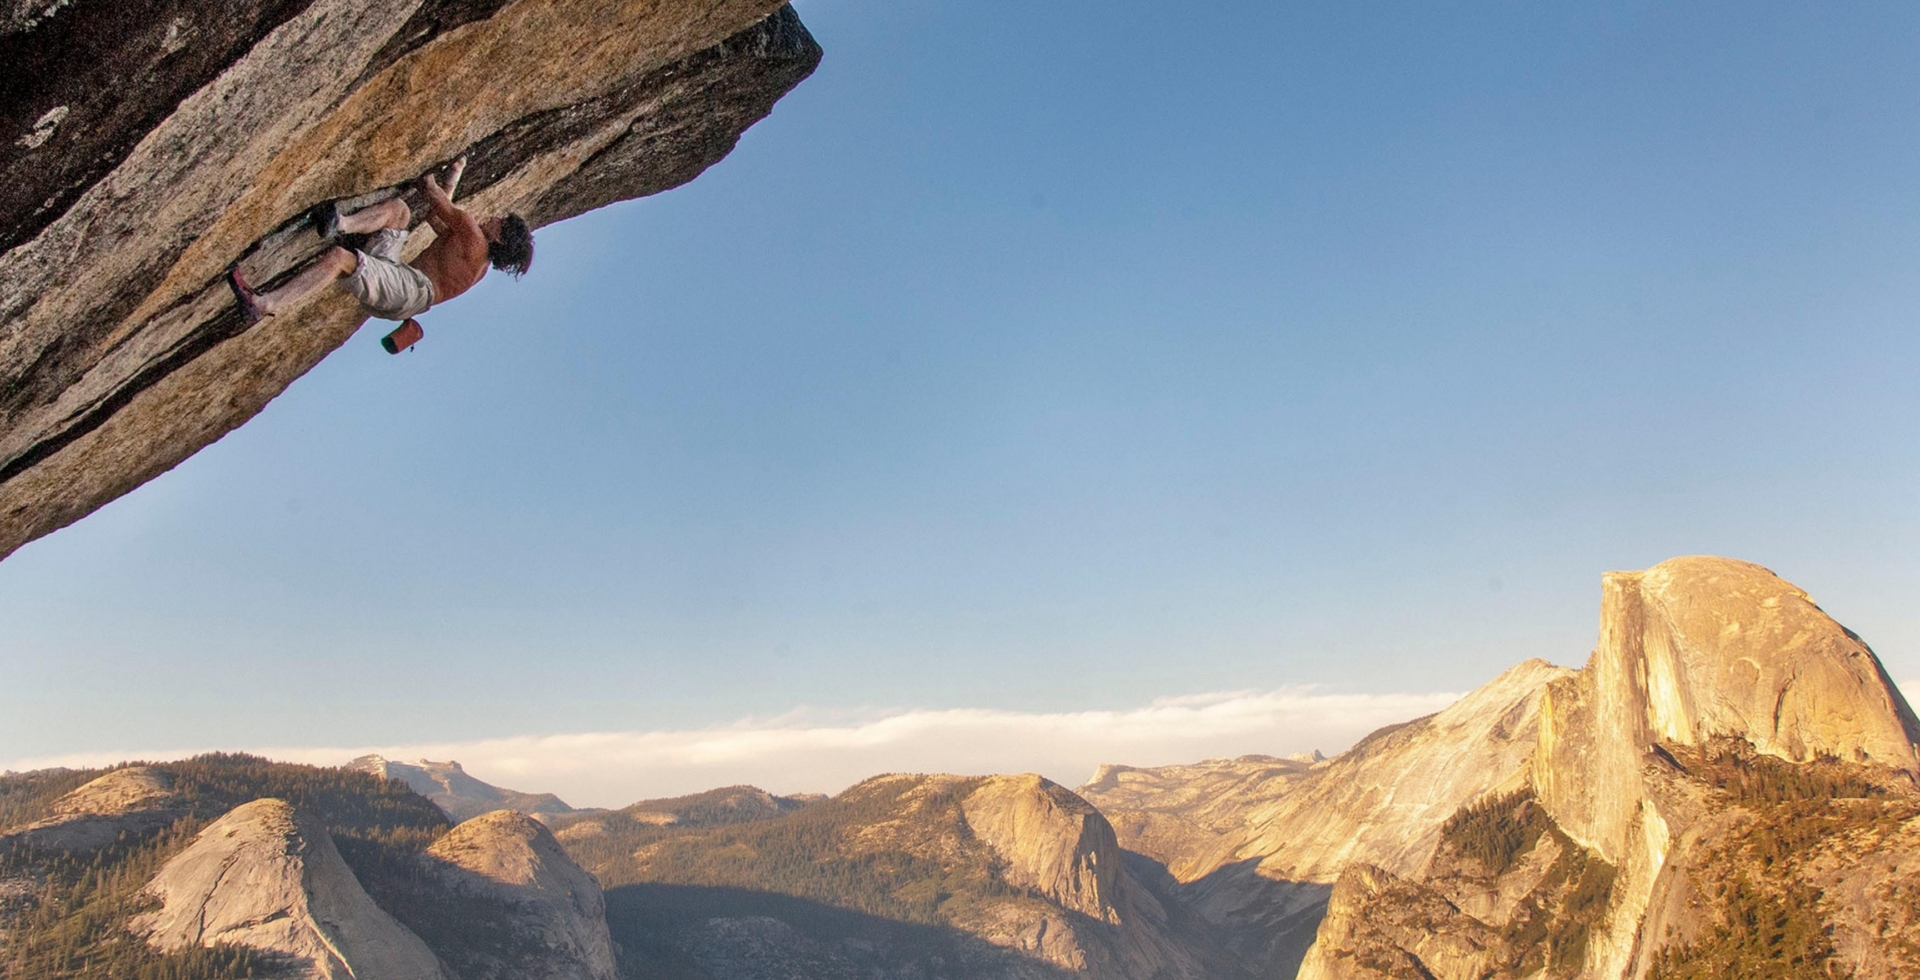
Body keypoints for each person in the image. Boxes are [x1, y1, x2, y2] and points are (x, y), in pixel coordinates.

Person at [228, 156, 533, 325]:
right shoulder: (476, 261)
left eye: (500, 222)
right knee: (399, 212)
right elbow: (435, 219)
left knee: (338, 259)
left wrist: (430, 168)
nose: (494, 218)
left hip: (407, 290)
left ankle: (263, 304)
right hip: (406, 291)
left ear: (500, 235)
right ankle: (340, 223)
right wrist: (455, 171)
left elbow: (432, 194)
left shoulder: (474, 236)